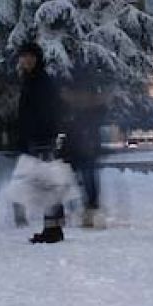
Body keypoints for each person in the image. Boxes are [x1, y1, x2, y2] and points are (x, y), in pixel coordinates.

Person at [15, 41, 66, 244]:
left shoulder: (39, 80)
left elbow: (43, 111)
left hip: (42, 137)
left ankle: (53, 228)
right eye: (23, 56)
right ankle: (53, 226)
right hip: (39, 137)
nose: (26, 60)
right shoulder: (32, 79)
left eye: (30, 57)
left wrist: (39, 133)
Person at [63, 82, 106, 229]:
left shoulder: (84, 111)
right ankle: (88, 211)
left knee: (87, 179)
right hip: (78, 147)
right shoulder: (78, 111)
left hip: (84, 147)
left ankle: (89, 211)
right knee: (85, 179)